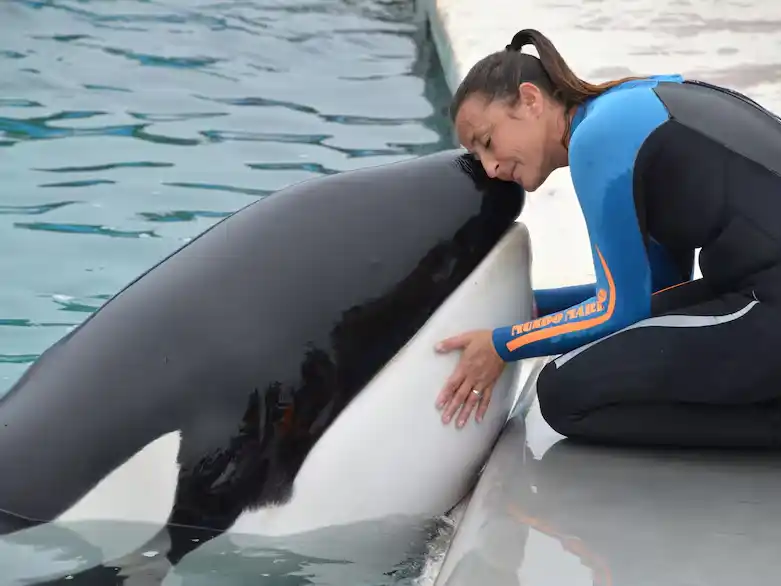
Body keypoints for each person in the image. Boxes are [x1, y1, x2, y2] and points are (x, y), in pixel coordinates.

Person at [434, 28, 781, 447]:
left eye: (487, 142)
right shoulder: (627, 109)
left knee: (563, 393)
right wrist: (531, 305)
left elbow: (616, 308)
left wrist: (502, 345)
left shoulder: (597, 140)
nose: (489, 168)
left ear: (530, 100)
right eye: (478, 157)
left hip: (767, 302)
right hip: (758, 292)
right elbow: (658, 287)